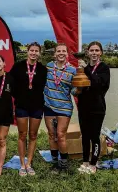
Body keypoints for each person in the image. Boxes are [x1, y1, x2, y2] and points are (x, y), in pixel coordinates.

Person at [9, 42, 47, 176]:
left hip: (37, 107)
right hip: (22, 106)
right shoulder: (18, 66)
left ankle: (29, 164)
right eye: (32, 50)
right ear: (28, 52)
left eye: (36, 51)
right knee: (22, 135)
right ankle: (21, 164)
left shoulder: (43, 69)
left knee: (33, 135)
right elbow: (10, 84)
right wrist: (18, 96)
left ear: (39, 53)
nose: (34, 53)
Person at [43, 43, 79, 173]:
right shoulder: (48, 66)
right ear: (55, 54)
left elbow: (74, 91)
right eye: (59, 51)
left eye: (64, 51)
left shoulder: (73, 70)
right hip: (48, 106)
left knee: (61, 135)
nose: (61, 53)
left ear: (67, 54)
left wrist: (80, 87)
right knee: (52, 135)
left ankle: (64, 164)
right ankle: (54, 163)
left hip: (64, 107)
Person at [77, 41, 110, 174]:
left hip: (97, 108)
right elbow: (79, 86)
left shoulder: (104, 68)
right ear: (88, 53)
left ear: (101, 52)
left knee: (94, 136)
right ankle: (85, 161)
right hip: (83, 107)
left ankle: (93, 163)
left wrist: (85, 69)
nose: (94, 53)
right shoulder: (83, 68)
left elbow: (97, 84)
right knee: (85, 135)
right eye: (92, 50)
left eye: (97, 50)